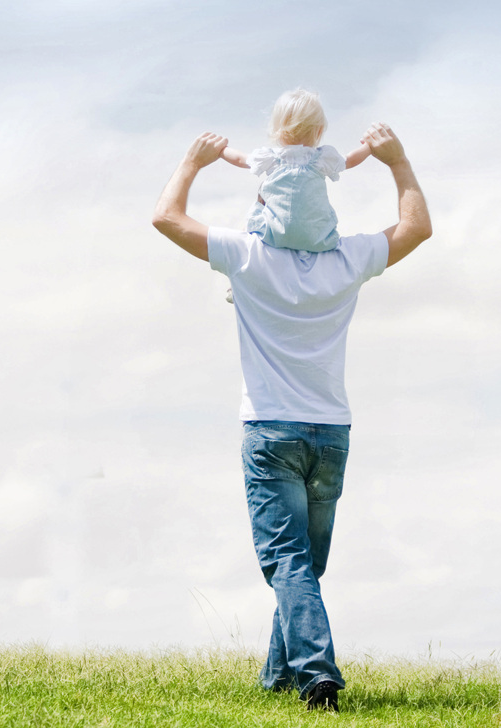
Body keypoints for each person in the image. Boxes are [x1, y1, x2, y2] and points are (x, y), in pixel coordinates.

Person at [151, 121, 431, 711]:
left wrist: (193, 162)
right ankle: (276, 681)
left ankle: (315, 675)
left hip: (271, 430)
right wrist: (398, 162)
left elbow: (166, 218)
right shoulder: (349, 257)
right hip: (331, 432)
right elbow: (416, 228)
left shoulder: (248, 257)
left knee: (288, 562)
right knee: (304, 567)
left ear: (268, 208)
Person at [222, 88, 372, 254]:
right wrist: (368, 147)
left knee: (255, 214)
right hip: (318, 238)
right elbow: (349, 160)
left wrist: (221, 150)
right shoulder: (321, 159)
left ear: (277, 129)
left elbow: (240, 159)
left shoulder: (272, 157)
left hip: (272, 234)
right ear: (320, 130)